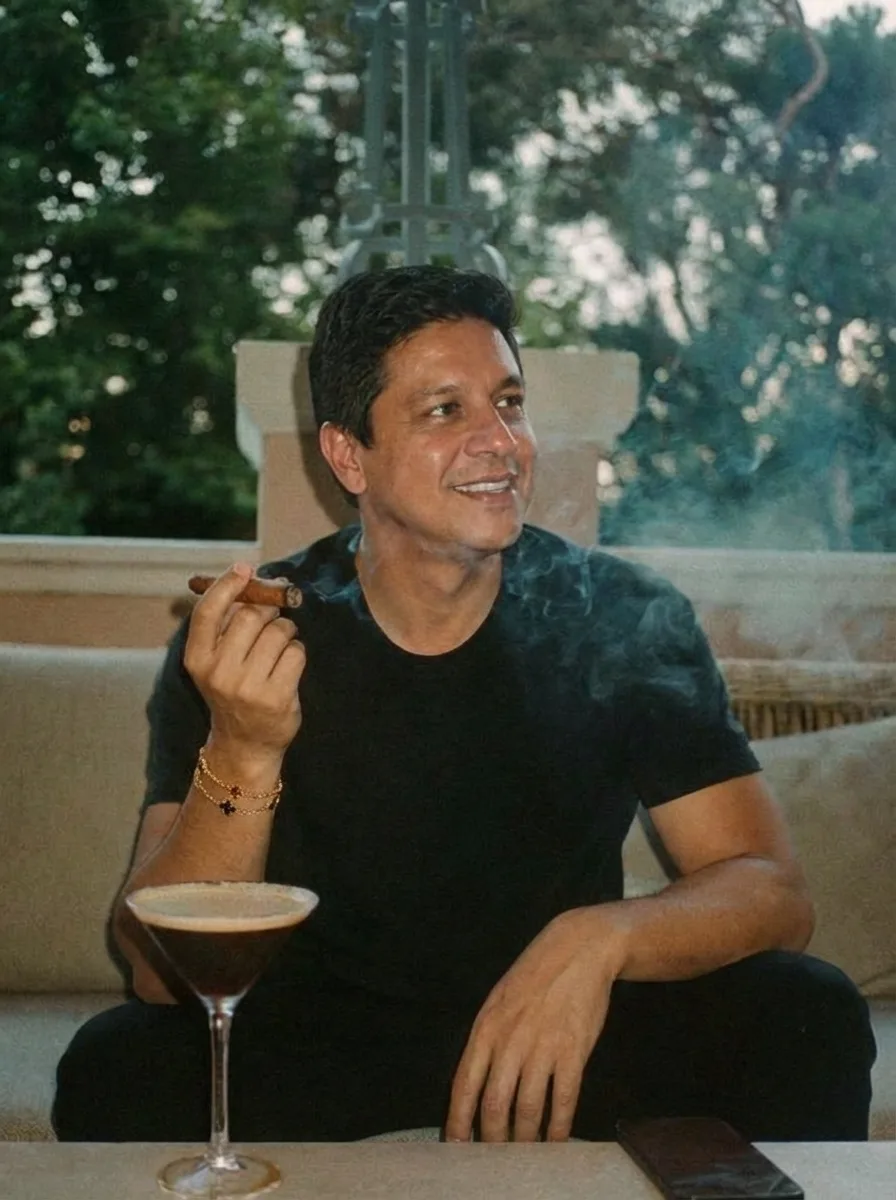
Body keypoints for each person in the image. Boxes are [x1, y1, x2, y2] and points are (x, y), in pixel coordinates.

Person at [53, 265, 876, 1144]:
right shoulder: (253, 634)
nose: (501, 442)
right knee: (116, 1067)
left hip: (553, 1035)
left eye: (509, 402)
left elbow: (772, 892)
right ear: (349, 455)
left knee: (808, 1013)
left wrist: (602, 939)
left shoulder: (623, 617)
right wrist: (244, 746)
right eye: (445, 411)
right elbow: (158, 971)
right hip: (317, 1038)